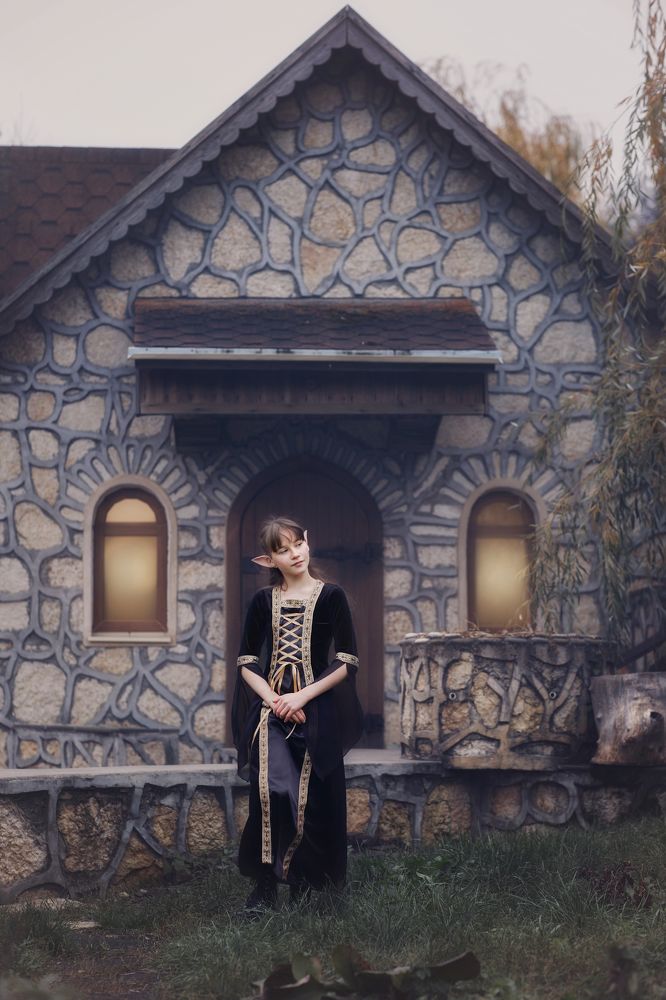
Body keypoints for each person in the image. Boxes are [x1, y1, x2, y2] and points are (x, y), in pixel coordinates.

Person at [231, 515, 364, 912]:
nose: (294, 554)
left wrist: (301, 697)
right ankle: (265, 887)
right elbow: (246, 661)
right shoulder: (262, 601)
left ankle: (303, 883)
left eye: (297, 544)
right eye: (282, 550)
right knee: (272, 790)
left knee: (313, 797)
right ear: (268, 560)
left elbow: (346, 660)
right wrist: (275, 701)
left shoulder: (332, 597)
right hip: (270, 710)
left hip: (315, 708)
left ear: (308, 541)